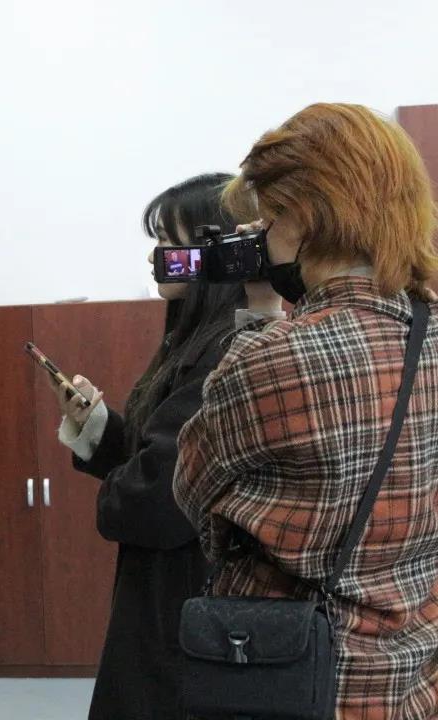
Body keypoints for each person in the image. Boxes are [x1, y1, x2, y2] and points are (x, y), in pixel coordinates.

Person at [174, 103, 438, 718]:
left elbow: (193, 500)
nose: (264, 237)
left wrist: (259, 318)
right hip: (413, 678)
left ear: (304, 216)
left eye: (269, 219)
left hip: (300, 680)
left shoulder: (273, 358)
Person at [51, 174, 248, 719]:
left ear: (209, 251)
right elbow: (155, 453)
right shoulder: (191, 340)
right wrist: (97, 426)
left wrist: (118, 494)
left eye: (167, 241)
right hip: (167, 595)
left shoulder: (224, 352)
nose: (156, 256)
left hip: (187, 600)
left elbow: (157, 497)